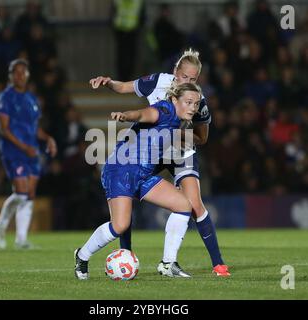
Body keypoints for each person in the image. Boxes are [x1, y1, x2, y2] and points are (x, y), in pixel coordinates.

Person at [89, 48, 230, 277]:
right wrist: (108, 83)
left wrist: (177, 135)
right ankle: (125, 256)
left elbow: (202, 138)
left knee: (194, 204)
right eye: (185, 77)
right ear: (175, 72)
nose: (188, 82)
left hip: (180, 151)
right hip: (152, 150)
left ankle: (217, 264)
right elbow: (124, 87)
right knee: (129, 190)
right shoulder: (158, 82)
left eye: (194, 79)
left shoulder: (198, 101)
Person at [74, 83, 202, 279]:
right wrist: (126, 115)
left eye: (196, 103)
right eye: (189, 102)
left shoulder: (176, 122)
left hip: (143, 175)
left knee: (184, 205)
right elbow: (144, 114)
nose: (193, 107)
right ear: (175, 100)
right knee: (119, 225)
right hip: (120, 170)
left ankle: (168, 264)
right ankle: (82, 256)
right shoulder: (166, 109)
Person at [0, 59, 57, 249]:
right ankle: (0, 224)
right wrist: (23, 146)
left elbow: (34, 128)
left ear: (28, 75)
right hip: (14, 150)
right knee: (20, 192)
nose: (20, 76)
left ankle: (21, 239)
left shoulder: (31, 99)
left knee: (29, 193)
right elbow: (3, 129)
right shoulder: (6, 97)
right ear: (10, 76)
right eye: (16, 72)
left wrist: (48, 138)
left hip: (31, 150)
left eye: (23, 72)